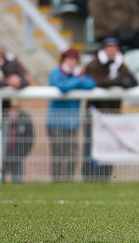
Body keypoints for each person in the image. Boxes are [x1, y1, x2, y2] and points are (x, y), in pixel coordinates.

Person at [82, 37, 137, 180]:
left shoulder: (120, 65)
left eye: (114, 48)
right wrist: (117, 81)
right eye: (109, 48)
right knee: (91, 146)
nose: (112, 51)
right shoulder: (94, 65)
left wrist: (126, 81)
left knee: (108, 147)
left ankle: (105, 176)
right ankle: (89, 177)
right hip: (96, 114)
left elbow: (133, 81)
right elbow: (95, 81)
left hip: (112, 115)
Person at [47, 48, 96, 181]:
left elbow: (91, 83)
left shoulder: (77, 74)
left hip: (72, 122)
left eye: (74, 60)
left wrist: (76, 80)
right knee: (58, 153)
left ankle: (69, 180)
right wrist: (79, 81)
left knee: (73, 154)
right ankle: (57, 180)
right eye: (69, 59)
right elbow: (61, 87)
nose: (72, 62)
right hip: (56, 121)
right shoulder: (56, 73)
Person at [3, 104, 34, 183]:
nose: (13, 113)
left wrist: (21, 153)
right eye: (11, 110)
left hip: (17, 154)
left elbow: (29, 139)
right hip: (3, 154)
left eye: (15, 110)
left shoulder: (24, 120)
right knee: (0, 176)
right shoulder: (2, 120)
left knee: (17, 179)